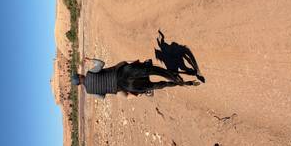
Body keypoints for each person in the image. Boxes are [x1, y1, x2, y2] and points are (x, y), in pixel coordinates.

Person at [71, 57, 200, 100]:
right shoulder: (89, 73)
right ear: (80, 76)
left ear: (79, 85)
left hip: (118, 87)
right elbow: (101, 64)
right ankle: (144, 64)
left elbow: (103, 97)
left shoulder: (90, 92)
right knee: (124, 62)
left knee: (127, 97)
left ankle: (144, 92)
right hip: (117, 73)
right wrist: (90, 60)